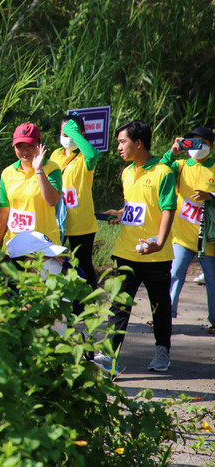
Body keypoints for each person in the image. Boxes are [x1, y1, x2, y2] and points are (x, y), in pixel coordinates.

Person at [95, 120, 176, 374]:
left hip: (155, 253)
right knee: (119, 305)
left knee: (159, 306)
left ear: (138, 143)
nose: (119, 147)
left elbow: (167, 209)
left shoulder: (163, 172)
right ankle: (109, 357)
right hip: (126, 251)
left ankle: (162, 352)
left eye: (122, 142)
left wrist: (158, 243)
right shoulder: (127, 172)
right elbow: (134, 206)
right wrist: (120, 213)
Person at [160, 126, 215, 332]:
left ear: (211, 146)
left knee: (213, 281)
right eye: (193, 142)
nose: (197, 147)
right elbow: (160, 171)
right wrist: (171, 153)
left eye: (202, 143)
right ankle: (164, 317)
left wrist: (210, 196)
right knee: (174, 274)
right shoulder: (180, 166)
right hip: (182, 236)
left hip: (207, 238)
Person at [49, 113, 101, 288]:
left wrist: (74, 135)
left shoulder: (85, 156)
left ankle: (91, 298)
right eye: (64, 133)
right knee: (53, 259)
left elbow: (93, 155)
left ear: (82, 134)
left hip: (81, 221)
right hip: (58, 219)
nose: (68, 138)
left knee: (83, 262)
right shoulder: (55, 154)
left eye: (73, 133)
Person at [0, 123, 62, 249]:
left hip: (44, 247)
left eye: (30, 145)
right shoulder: (7, 173)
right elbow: (4, 212)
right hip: (13, 246)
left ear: (39, 145)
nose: (25, 151)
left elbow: (52, 201)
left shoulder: (52, 169)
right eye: (20, 146)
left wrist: (39, 170)